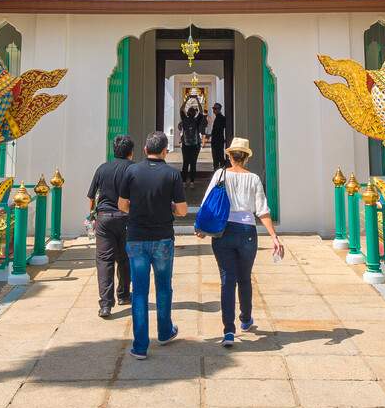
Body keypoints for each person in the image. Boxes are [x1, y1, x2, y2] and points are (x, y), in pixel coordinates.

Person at [199, 137, 281, 347]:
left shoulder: (220, 174)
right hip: (247, 231)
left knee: (227, 280)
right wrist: (274, 236)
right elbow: (262, 209)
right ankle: (245, 319)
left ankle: (228, 330)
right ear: (245, 157)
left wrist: (201, 228)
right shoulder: (253, 178)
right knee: (244, 278)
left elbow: (207, 202)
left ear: (230, 156)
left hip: (223, 231)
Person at [119, 130, 187, 359]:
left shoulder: (132, 171)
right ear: (165, 151)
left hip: (137, 237)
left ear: (146, 150)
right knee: (164, 287)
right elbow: (182, 210)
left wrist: (137, 211)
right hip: (162, 238)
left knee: (139, 292)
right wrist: (166, 208)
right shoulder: (172, 174)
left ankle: (140, 346)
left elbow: (122, 205)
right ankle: (165, 331)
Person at [86, 135, 134, 318]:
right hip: (126, 218)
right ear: (131, 152)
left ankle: (105, 304)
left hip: (104, 219)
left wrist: (92, 216)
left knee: (105, 261)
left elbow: (91, 197)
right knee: (125, 258)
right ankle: (123, 295)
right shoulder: (133, 169)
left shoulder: (102, 168)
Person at [178, 103, 205, 182]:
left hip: (186, 145)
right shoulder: (196, 121)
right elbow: (201, 111)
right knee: (193, 163)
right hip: (195, 145)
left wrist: (186, 100)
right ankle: (192, 181)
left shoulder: (184, 119)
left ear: (187, 113)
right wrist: (197, 100)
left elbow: (181, 109)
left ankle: (184, 181)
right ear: (194, 113)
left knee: (185, 163)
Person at [209, 104, 229, 171]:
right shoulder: (218, 117)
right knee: (218, 158)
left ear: (219, 109)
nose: (213, 110)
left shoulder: (221, 118)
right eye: (213, 108)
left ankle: (218, 173)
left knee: (217, 158)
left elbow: (218, 130)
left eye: (215, 109)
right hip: (217, 140)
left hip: (217, 141)